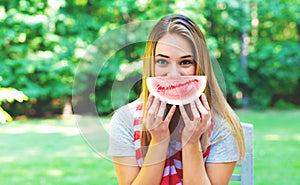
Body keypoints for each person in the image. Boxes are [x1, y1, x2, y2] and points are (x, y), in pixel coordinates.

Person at [108, 14, 246, 185]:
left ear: (200, 67)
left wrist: (191, 141)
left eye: (185, 62)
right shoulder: (124, 121)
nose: (173, 75)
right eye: (162, 61)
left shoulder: (222, 125)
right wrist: (159, 141)